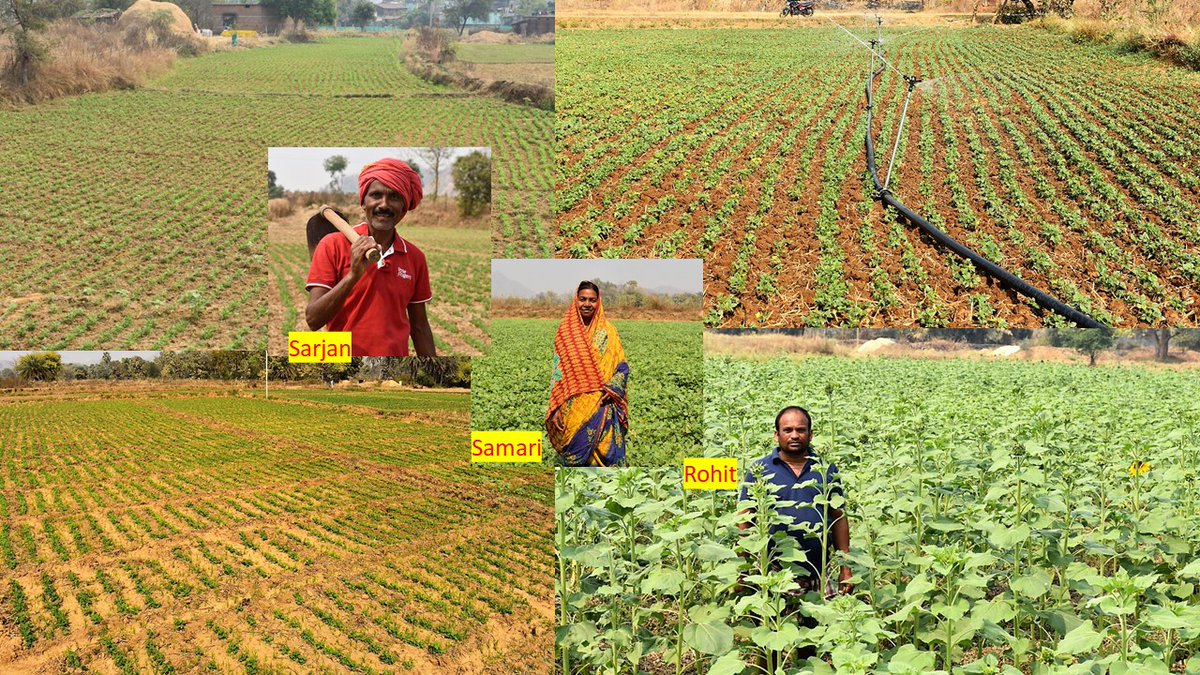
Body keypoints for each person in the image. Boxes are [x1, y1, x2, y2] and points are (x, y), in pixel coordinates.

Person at [305, 158, 436, 357]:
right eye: (376, 195)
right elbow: (313, 319)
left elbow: (419, 327)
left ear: (404, 207)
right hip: (341, 363)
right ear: (363, 203)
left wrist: (436, 372)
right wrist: (353, 276)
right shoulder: (333, 245)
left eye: (394, 197)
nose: (384, 205)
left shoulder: (415, 257)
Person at [739, 406, 852, 595]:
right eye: (788, 430)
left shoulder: (826, 469)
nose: (794, 435)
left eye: (800, 430)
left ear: (810, 434)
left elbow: (838, 517)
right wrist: (743, 570)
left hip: (821, 571)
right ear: (776, 435)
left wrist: (845, 568)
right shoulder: (760, 469)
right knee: (777, 623)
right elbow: (745, 520)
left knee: (827, 622)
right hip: (775, 574)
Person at [545, 281, 629, 467]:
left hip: (603, 405)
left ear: (598, 302)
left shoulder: (608, 332)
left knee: (609, 461)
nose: (587, 304)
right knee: (575, 459)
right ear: (576, 300)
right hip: (573, 407)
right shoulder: (565, 333)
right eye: (583, 299)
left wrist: (613, 387)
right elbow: (558, 372)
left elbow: (622, 366)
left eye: (592, 300)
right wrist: (556, 406)